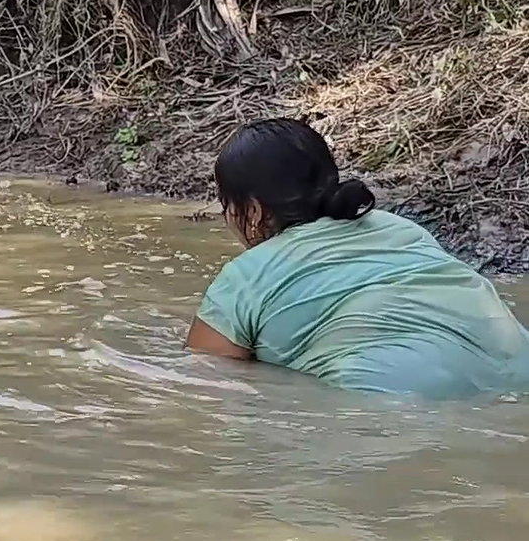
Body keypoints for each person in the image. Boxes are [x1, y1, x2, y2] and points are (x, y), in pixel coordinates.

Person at [186, 117, 529, 398]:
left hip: (390, 398)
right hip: (516, 369)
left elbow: (209, 381)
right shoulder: (398, 227)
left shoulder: (246, 276)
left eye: (225, 205)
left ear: (254, 210)